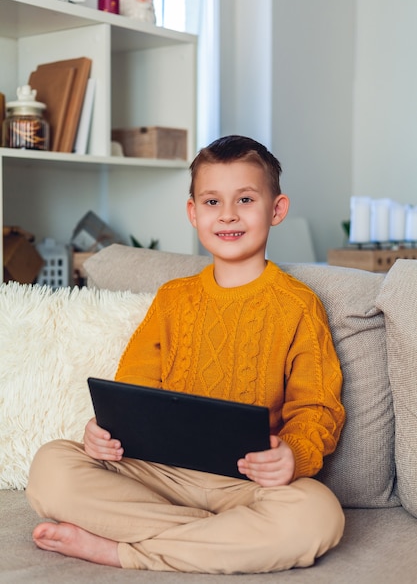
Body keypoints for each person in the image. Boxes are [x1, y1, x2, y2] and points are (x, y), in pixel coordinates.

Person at [26, 135, 346, 574]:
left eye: (246, 199)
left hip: (248, 483)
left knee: (318, 517)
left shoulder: (299, 306)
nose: (228, 214)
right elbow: (132, 393)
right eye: (212, 201)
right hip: (158, 474)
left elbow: (318, 408)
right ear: (193, 212)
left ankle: (120, 550)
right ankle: (221, 537)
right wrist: (101, 430)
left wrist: (292, 453)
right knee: (50, 468)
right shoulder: (172, 299)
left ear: (277, 209)